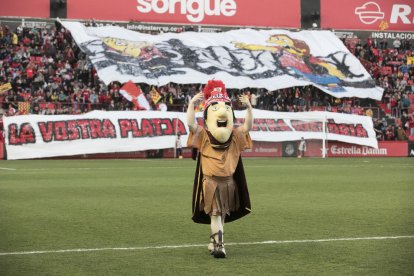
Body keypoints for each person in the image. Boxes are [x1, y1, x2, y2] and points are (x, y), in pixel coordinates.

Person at [187, 79, 253, 258]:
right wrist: (192, 104)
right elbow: (191, 125)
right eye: (214, 108)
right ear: (207, 119)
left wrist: (249, 108)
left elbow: (247, 127)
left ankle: (212, 242)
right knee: (216, 215)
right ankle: (219, 245)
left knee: (221, 215)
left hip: (229, 183)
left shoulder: (234, 136)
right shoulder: (204, 135)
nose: (222, 112)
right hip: (211, 182)